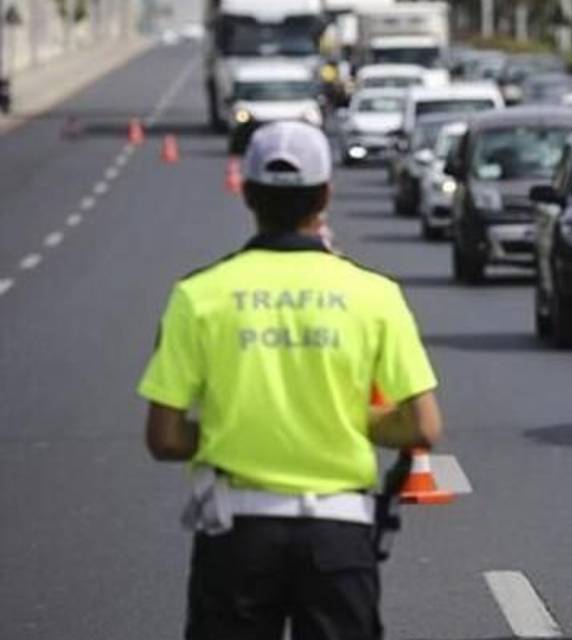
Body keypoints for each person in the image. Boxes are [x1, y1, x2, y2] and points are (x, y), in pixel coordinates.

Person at [138, 121, 442, 640]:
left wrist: (234, 427)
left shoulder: (198, 295)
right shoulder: (374, 295)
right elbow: (422, 426)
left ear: (248, 194)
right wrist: (343, 420)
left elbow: (164, 438)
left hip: (236, 534)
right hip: (339, 536)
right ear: (325, 194)